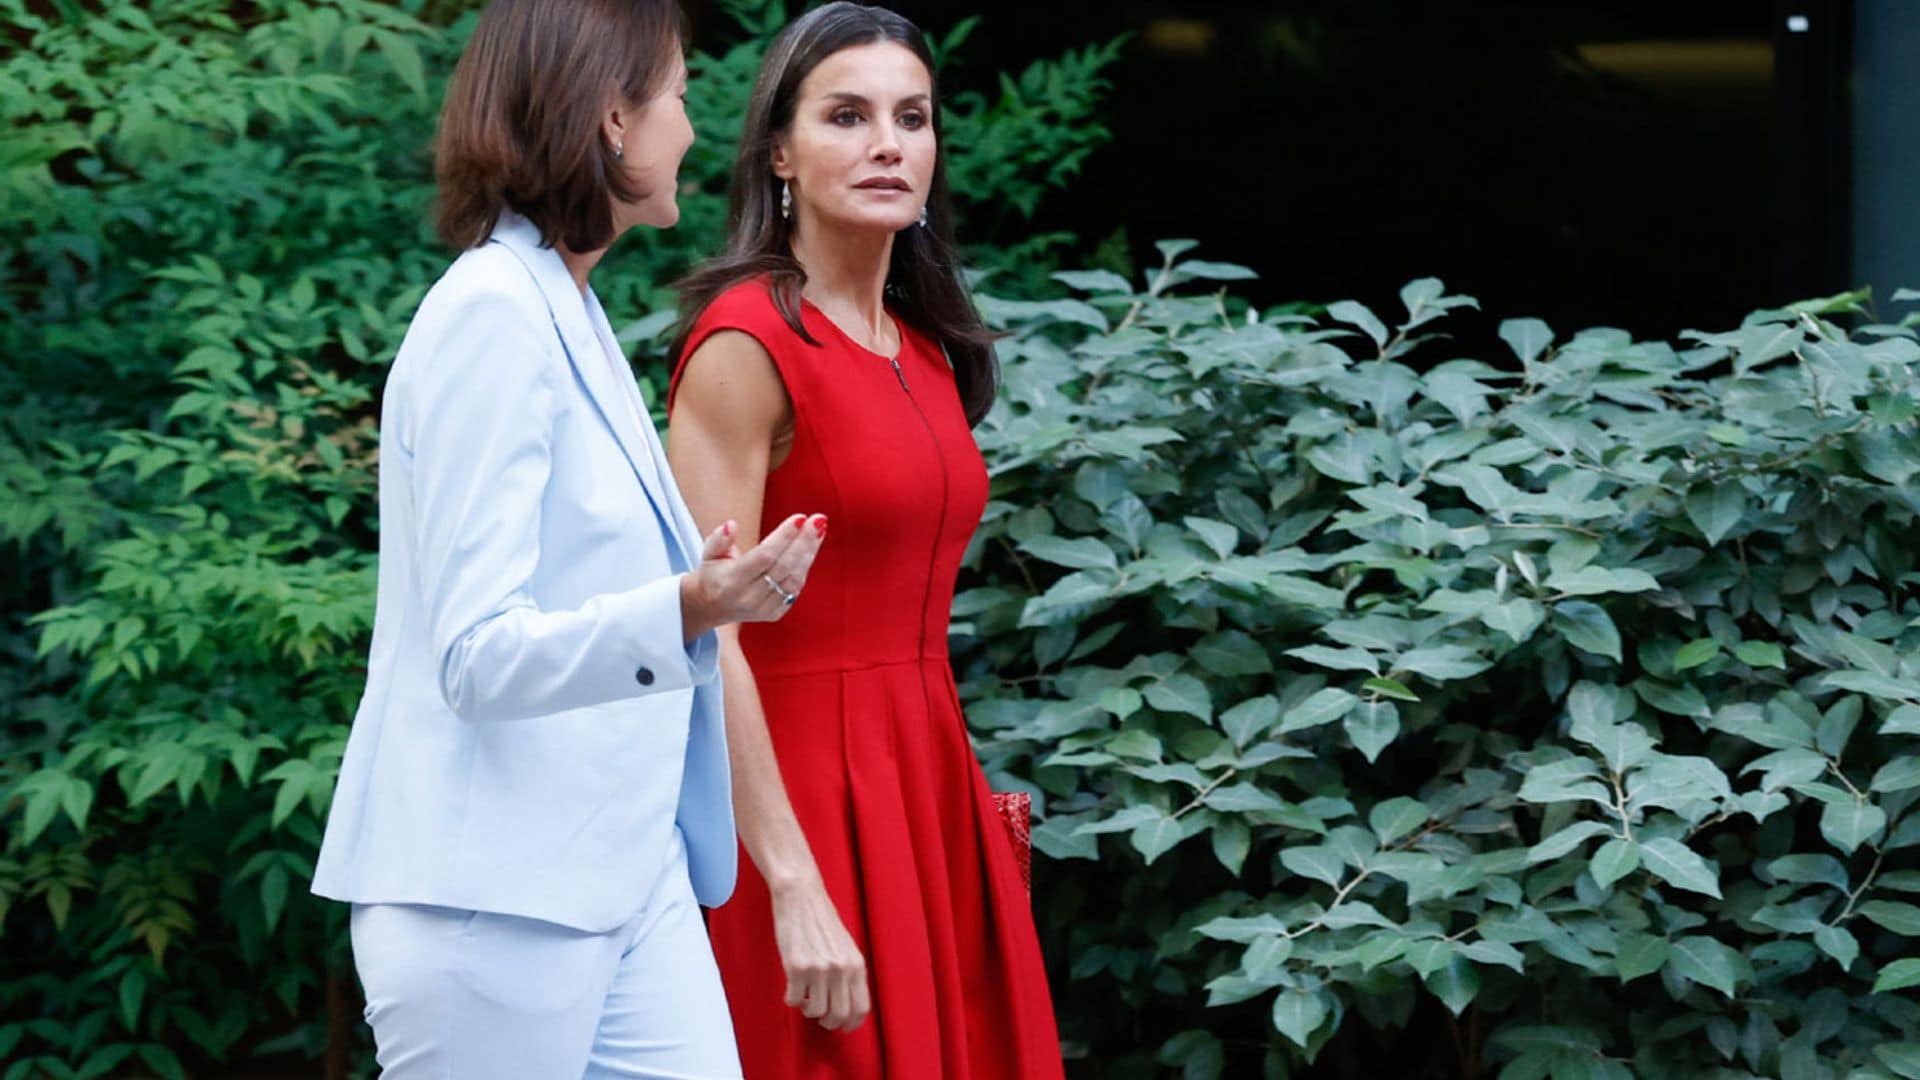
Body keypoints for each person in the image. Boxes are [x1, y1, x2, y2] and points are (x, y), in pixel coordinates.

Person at [310, 2, 825, 1075]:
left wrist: (697, 588)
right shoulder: (492, 314)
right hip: (488, 902)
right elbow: (475, 653)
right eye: (679, 95)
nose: (694, 124)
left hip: (620, 877)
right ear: (611, 119)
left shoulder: (565, 305)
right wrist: (692, 605)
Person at [666, 4, 1063, 1076]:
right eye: (847, 115)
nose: (889, 143)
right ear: (780, 154)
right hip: (792, 795)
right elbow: (706, 637)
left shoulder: (926, 346)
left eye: (913, 117)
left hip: (923, 782)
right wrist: (789, 882)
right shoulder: (745, 344)